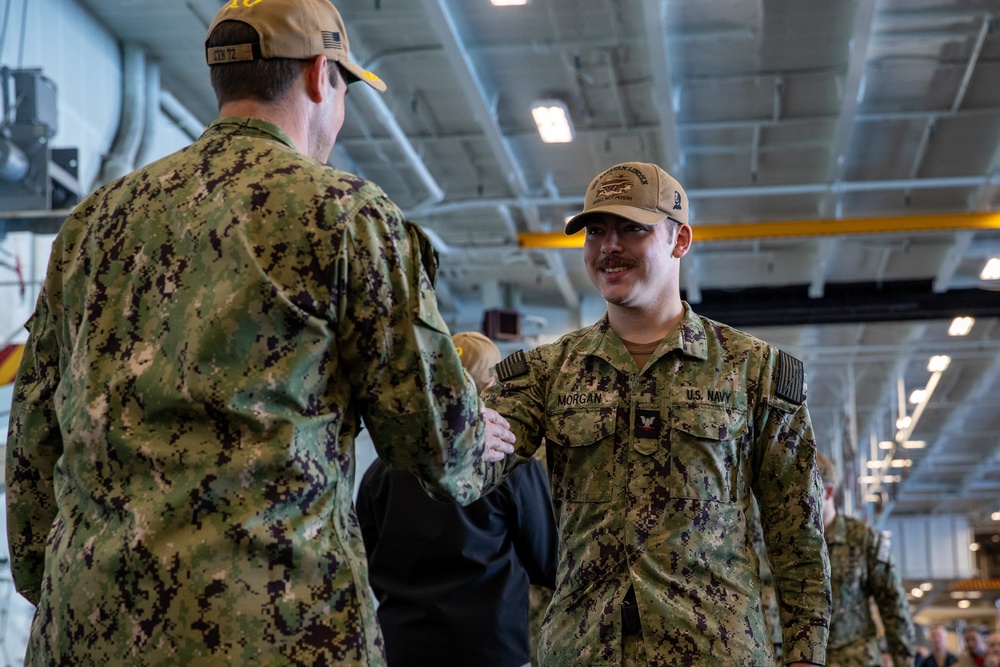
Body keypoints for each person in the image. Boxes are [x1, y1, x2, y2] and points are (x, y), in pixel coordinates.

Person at [4, 0, 515, 664]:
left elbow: (33, 443)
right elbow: (436, 446)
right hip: (273, 631)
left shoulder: (93, 222)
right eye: (343, 87)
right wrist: (481, 437)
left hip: (89, 628)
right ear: (319, 75)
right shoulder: (347, 216)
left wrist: (69, 586)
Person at [480, 161, 831, 666]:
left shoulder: (753, 371)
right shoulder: (546, 373)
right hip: (585, 652)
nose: (609, 247)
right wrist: (450, 425)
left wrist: (805, 654)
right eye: (596, 232)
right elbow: (464, 473)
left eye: (632, 229)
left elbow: (796, 530)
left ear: (679, 240)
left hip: (715, 651)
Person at [357, 331, 558, 667]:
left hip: (404, 645)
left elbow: (363, 560)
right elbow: (546, 559)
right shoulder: (510, 464)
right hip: (492, 647)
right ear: (494, 389)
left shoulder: (383, 467)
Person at [816, 452, 916, 667]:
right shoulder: (790, 544)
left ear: (828, 492)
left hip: (856, 658)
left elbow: (893, 605)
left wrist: (904, 662)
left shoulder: (863, 539)